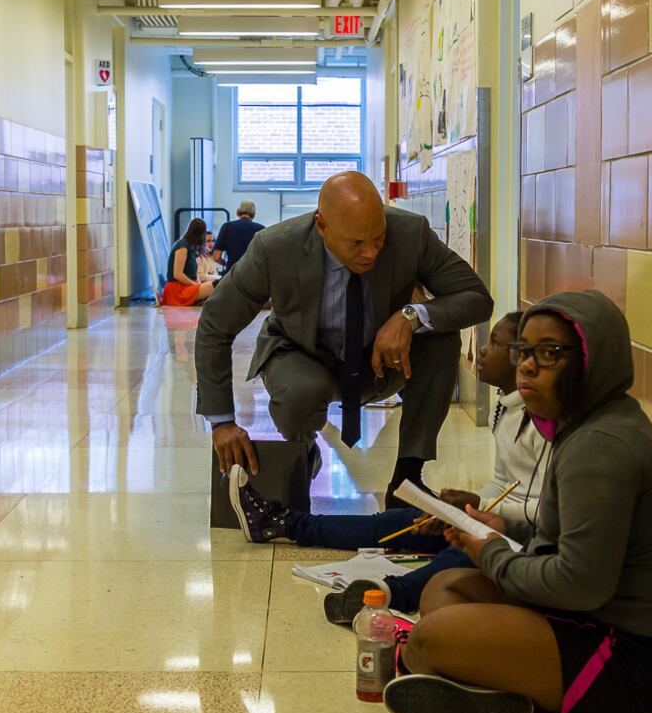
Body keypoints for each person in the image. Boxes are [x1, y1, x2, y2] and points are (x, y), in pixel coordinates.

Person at [381, 290, 652, 713]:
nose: (527, 366)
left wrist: (492, 550)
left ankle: (506, 693)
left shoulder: (600, 447)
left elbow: (578, 585)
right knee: (444, 588)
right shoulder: (589, 426)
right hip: (591, 617)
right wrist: (502, 526)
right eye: (524, 351)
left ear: (592, 361)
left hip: (628, 658)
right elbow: (571, 544)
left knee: (429, 638)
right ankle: (502, 694)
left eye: (550, 354)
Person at [196, 171, 493, 508]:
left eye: (378, 238)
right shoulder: (275, 248)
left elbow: (476, 297)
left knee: (441, 338)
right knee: (302, 391)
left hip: (378, 361)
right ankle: (303, 451)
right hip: (302, 354)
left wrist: (410, 316)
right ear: (322, 227)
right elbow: (215, 324)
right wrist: (222, 423)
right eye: (356, 243)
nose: (371, 253)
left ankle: (408, 478)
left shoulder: (411, 234)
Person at [227, 312, 548, 620]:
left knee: (462, 554)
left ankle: (392, 593)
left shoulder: (544, 423)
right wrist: (467, 508)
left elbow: (549, 512)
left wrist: (481, 512)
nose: (481, 349)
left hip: (528, 539)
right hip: (495, 521)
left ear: (522, 360)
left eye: (494, 343)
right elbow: (503, 482)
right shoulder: (506, 408)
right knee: (401, 522)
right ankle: (283, 523)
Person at [161, 218, 215, 306]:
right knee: (214, 286)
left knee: (213, 286)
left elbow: (195, 274)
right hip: (177, 290)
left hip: (185, 286)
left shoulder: (190, 247)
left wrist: (197, 284)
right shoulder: (183, 247)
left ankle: (199, 301)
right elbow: (177, 275)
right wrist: (195, 285)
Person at [212, 200, 264, 274]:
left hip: (232, 274)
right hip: (253, 274)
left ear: (237, 212)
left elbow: (216, 257)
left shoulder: (227, 227)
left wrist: (226, 264)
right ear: (254, 214)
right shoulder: (261, 229)